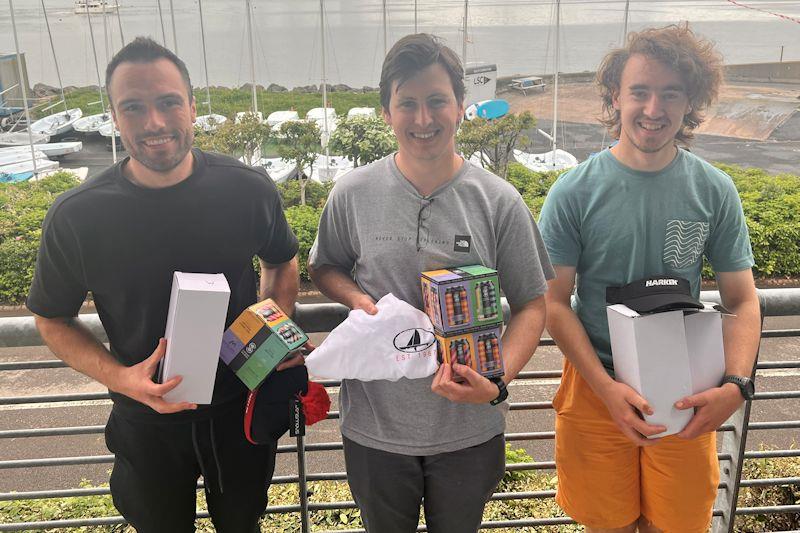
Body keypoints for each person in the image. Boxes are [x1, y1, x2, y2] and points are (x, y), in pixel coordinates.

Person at [27, 37, 301, 533]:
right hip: (143, 422)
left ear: (193, 107)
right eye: (133, 107)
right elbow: (51, 318)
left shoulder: (247, 188)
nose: (154, 122)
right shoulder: (78, 216)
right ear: (114, 116)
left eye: (169, 102)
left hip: (239, 413)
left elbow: (282, 263)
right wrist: (121, 377)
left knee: (244, 525)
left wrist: (273, 331)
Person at [308, 33, 553, 533]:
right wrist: (356, 298)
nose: (423, 119)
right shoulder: (352, 192)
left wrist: (497, 379)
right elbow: (324, 265)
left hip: (469, 430)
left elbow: (532, 304)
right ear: (386, 112)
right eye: (408, 104)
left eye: (437, 101)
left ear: (461, 106)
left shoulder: (498, 200)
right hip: (374, 428)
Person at [538, 25, 761, 533]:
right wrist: (606, 387)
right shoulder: (574, 192)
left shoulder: (714, 191)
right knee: (607, 525)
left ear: (691, 102)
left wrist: (736, 385)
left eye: (671, 93)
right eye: (639, 91)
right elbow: (553, 303)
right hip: (595, 388)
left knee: (678, 526)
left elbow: (742, 301)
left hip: (685, 387)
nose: (653, 108)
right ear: (615, 95)